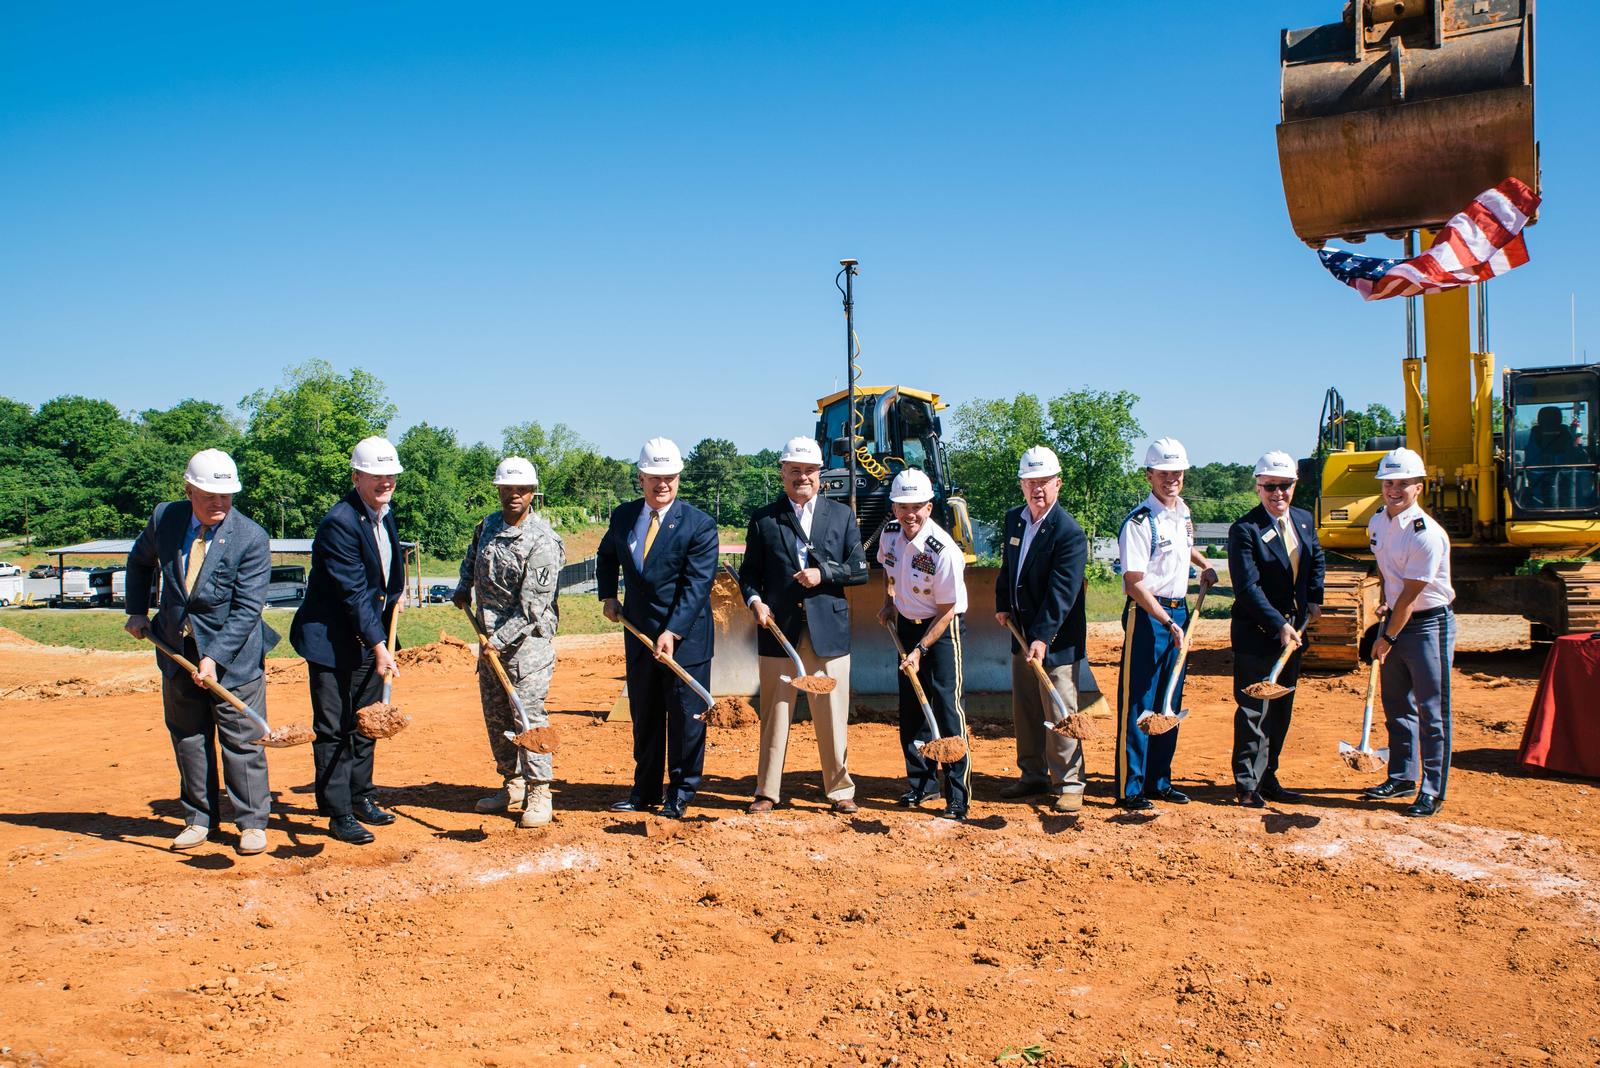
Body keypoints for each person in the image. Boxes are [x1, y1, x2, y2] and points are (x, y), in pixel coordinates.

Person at [124, 449, 277, 855]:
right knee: (189, 737)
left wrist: (215, 657)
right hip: (176, 649)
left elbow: (247, 609)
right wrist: (137, 611)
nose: (218, 504)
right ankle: (198, 819)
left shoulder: (251, 537)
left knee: (242, 741)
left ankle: (251, 824)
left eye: (226, 496)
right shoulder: (165, 519)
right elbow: (139, 563)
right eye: (209, 494)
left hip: (234, 657)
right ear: (188, 489)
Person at [735, 436, 869, 815]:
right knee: (775, 713)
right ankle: (767, 790)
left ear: (820, 474)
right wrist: (755, 601)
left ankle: (840, 790)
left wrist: (822, 573)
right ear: (783, 474)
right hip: (780, 631)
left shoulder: (841, 516)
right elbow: (750, 576)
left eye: (809, 470)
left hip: (829, 633)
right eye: (794, 470)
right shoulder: (764, 520)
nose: (802, 477)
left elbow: (859, 571)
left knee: (832, 714)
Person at [289, 436, 406, 845]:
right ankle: (338, 811)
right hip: (332, 642)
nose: (385, 482)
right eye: (376, 476)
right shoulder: (340, 522)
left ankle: (361, 796)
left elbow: (387, 571)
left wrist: (396, 596)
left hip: (367, 637)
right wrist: (379, 647)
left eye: (390, 475)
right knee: (334, 728)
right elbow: (353, 592)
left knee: (366, 724)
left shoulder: (382, 514)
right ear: (356, 476)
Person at [597, 437, 719, 820]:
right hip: (638, 633)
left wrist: (673, 631)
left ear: (678, 477)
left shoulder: (699, 524)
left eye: (669, 477)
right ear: (641, 478)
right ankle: (644, 791)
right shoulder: (623, 516)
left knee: (685, 719)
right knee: (645, 715)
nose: (662, 484)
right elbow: (606, 554)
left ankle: (680, 793)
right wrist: (608, 596)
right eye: (654, 477)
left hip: (685, 638)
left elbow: (697, 585)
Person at [453, 456, 565, 828]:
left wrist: (498, 640)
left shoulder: (543, 541)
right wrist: (462, 587)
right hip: (490, 643)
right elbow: (472, 558)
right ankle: (512, 784)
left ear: (533, 494)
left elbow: (533, 607)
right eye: (507, 488)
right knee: (497, 716)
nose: (514, 495)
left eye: (522, 489)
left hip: (526, 647)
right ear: (499, 489)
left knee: (528, 718)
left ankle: (539, 792)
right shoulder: (486, 525)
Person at [1115, 437, 1216, 811]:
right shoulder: (1139, 522)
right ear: (1150, 476)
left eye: (1177, 473)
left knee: (1169, 700)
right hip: (1147, 615)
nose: (1171, 479)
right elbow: (1134, 581)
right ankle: (1132, 787)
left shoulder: (1183, 513)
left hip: (1180, 612)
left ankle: (1160, 780)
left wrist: (1203, 565)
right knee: (1141, 701)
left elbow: (1182, 548)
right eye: (1163, 473)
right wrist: (1163, 619)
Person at [1226, 451, 1325, 807]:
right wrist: (1278, 624)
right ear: (1258, 487)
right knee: (1255, 709)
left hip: (1293, 632)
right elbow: (1247, 588)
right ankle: (1246, 784)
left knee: (1281, 710)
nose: (1277, 493)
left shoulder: (1303, 520)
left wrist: (1314, 598)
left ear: (1294, 485)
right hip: (1258, 632)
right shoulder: (1245, 530)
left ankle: (1268, 777)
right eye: (1270, 486)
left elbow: (1317, 558)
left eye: (1284, 486)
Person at [994, 446, 1089, 814]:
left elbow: (1062, 593)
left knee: (1061, 709)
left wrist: (1041, 637)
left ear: (1058, 484)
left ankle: (1069, 782)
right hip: (1021, 634)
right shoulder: (1014, 520)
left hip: (1056, 641)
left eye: (1045, 482)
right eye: (1031, 482)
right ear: (1021, 485)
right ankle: (1032, 773)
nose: (1038, 489)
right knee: (1028, 707)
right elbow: (1008, 567)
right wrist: (1004, 603)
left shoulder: (1069, 533)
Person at [1363, 446, 1456, 818]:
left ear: (1419, 486)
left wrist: (1385, 638)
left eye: (1403, 483)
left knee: (1432, 711)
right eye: (1388, 482)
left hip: (1428, 624)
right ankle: (1401, 776)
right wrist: (1384, 601)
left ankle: (1432, 790)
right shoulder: (1377, 523)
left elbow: (1412, 595)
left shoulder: (1426, 534)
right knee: (1397, 705)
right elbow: (1387, 574)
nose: (1394, 489)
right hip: (1397, 618)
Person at [876, 468, 971, 821]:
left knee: (947, 708)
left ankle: (957, 795)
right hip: (905, 626)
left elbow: (947, 611)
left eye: (917, 506)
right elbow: (888, 569)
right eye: (902, 506)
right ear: (894, 509)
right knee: (913, 708)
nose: (909, 513)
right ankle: (922, 784)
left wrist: (920, 650)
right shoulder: (890, 535)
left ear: (929, 508)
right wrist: (889, 601)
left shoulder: (942, 550)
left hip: (941, 631)